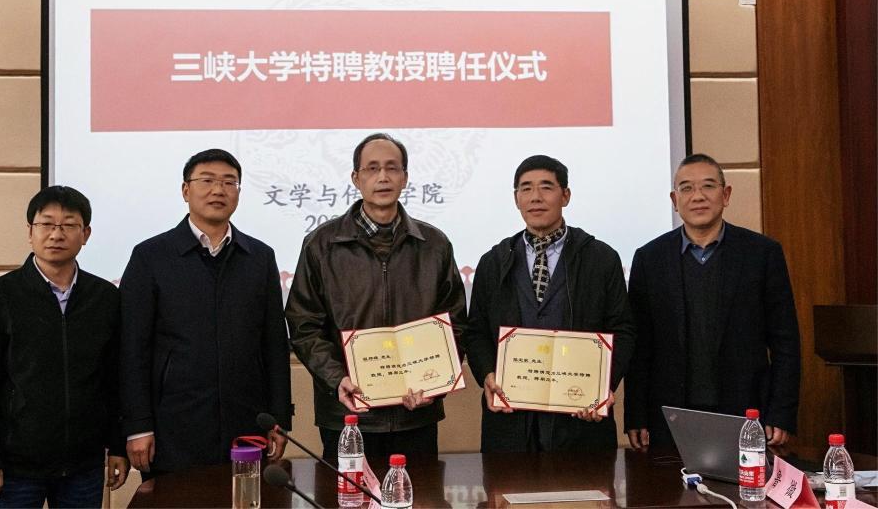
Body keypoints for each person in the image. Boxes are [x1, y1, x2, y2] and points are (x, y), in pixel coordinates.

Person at [285, 133, 468, 459]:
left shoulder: (434, 245)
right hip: (348, 416)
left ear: (405, 178)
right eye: (372, 168)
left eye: (392, 168)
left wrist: (435, 385)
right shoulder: (321, 245)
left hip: (416, 416)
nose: (382, 177)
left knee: (417, 489)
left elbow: (454, 324)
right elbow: (303, 324)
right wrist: (336, 378)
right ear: (356, 178)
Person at [119, 149, 291, 476]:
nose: (218, 190)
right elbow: (132, 348)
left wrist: (279, 419)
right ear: (186, 190)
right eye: (207, 181)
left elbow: (274, 344)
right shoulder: (151, 256)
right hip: (173, 425)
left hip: (247, 422)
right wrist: (137, 425)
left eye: (229, 182)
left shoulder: (259, 257)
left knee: (246, 498)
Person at [0, 186, 129, 506]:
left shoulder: (105, 298)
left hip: (83, 465)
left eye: (68, 225)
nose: (56, 234)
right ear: (30, 232)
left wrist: (118, 446)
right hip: (14, 466)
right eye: (46, 224)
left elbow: (114, 379)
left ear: (85, 234)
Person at [624, 153, 800, 448]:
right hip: (670, 414)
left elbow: (785, 341)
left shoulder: (761, 254)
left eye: (708, 186)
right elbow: (640, 347)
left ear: (726, 194)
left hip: (747, 411)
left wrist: (781, 412)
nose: (698, 197)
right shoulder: (650, 258)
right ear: (674, 200)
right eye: (687, 188)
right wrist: (636, 415)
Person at [463, 155, 635, 452]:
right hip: (511, 423)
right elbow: (476, 331)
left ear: (565, 196)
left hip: (580, 420)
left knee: (583, 484)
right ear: (516, 199)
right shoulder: (493, 262)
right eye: (526, 188)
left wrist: (602, 385)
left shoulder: (601, 258)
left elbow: (623, 329)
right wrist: (488, 374)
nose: (536, 197)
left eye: (546, 187)